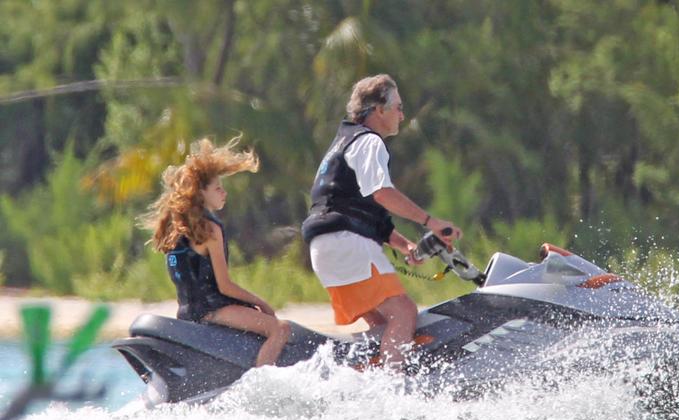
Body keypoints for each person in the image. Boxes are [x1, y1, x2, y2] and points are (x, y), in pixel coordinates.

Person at [302, 74, 461, 369]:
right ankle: (391, 388)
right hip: (345, 243)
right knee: (403, 313)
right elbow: (382, 193)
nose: (402, 114)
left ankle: (368, 380)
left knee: (381, 324)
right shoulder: (369, 142)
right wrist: (431, 221)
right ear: (378, 109)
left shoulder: (343, 143)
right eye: (398, 107)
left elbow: (364, 208)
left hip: (325, 249)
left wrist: (405, 245)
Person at [144, 137, 291, 367]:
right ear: (200, 193)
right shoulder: (210, 229)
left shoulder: (176, 230)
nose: (224, 193)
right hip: (213, 311)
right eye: (218, 188)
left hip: (186, 313)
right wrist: (261, 303)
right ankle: (261, 384)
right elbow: (225, 286)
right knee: (279, 329)